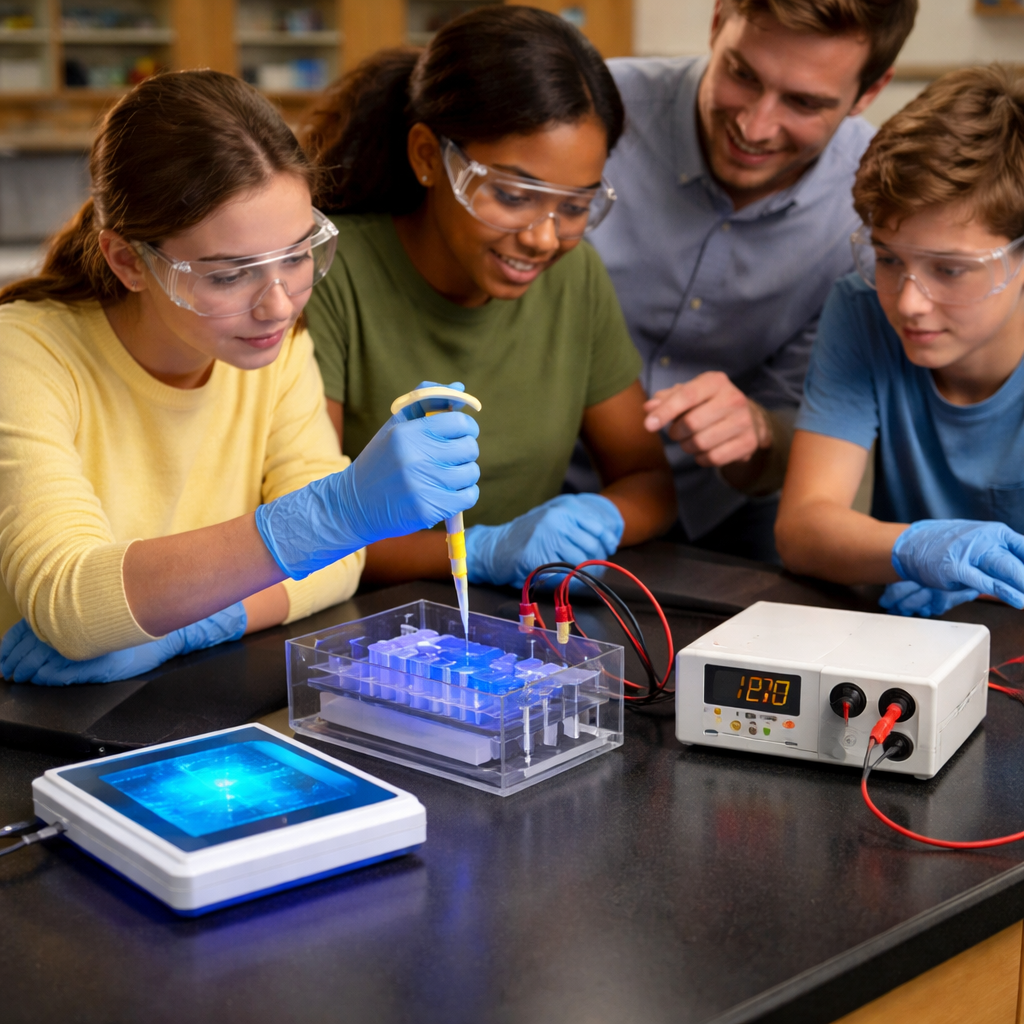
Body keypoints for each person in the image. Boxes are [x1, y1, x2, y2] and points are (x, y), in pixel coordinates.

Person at [0, 70, 479, 685]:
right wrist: (336, 513)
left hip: (178, 698)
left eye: (298, 254)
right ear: (129, 261)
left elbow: (339, 566)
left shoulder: (271, 349)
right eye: (230, 275)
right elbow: (72, 605)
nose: (279, 306)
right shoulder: (26, 351)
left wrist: (197, 624)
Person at [300, 5, 677, 590]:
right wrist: (484, 552)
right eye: (512, 194)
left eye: (575, 206)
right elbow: (299, 530)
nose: (544, 237)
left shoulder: (574, 277)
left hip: (517, 619)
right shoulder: (326, 277)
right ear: (429, 157)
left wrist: (600, 515)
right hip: (355, 620)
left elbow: (649, 481)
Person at [585, 0, 917, 562]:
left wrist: (760, 431)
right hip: (548, 494)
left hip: (730, 518)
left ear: (870, 90)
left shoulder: (876, 206)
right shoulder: (593, 111)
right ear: (717, 22)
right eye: (742, 75)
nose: (754, 126)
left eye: (804, 103)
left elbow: (808, 427)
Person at [775, 65, 1024, 617]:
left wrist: (984, 586)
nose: (908, 302)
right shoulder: (862, 309)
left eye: (950, 270)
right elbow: (803, 527)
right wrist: (910, 551)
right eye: (888, 258)